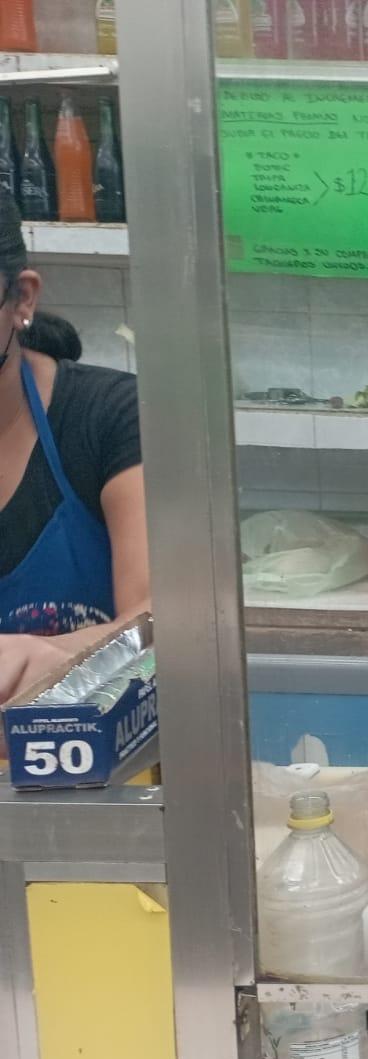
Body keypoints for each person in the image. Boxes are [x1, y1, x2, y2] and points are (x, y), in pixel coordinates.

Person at [0, 196, 147, 703]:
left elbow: (167, 620)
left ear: (22, 299)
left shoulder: (111, 416)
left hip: (104, 769)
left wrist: (59, 656)